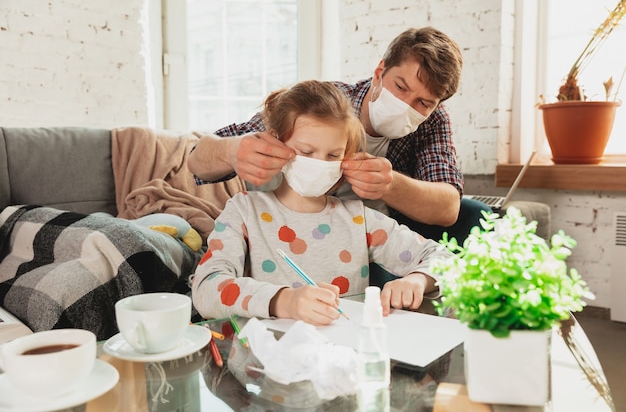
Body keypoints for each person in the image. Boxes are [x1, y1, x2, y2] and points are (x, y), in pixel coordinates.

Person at [188, 27, 490, 248]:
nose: (407, 105)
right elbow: (196, 159)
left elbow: (449, 207)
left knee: (478, 216)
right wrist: (232, 151)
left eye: (423, 103)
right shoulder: (326, 104)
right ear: (379, 71)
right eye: (401, 86)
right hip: (307, 227)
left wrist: (388, 184)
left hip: (376, 225)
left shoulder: (432, 121)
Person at [191, 80, 452, 325]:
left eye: (333, 155)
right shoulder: (245, 212)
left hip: (340, 357)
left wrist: (419, 280)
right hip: (264, 361)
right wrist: (285, 301)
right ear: (276, 143)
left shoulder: (358, 219)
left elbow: (447, 260)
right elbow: (206, 289)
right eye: (306, 152)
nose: (319, 163)